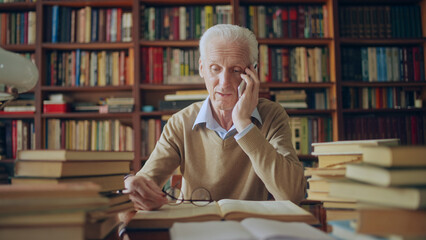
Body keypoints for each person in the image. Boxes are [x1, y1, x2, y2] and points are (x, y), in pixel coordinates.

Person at [125, 24, 306, 210]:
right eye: (215, 68)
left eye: (235, 70)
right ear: (202, 69)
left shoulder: (272, 116)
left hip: (251, 229)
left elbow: (291, 194)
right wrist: (131, 183)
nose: (224, 82)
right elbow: (145, 182)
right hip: (195, 229)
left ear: (253, 72)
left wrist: (244, 124)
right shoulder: (180, 122)